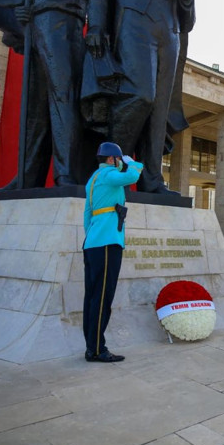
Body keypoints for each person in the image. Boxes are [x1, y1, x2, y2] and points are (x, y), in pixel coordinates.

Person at [85, 0, 195, 194]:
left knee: (160, 110)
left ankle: (152, 179)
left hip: (169, 36)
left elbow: (189, 22)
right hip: (133, 26)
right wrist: (95, 25)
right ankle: (108, 165)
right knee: (140, 95)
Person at [7, 0, 95, 188]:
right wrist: (24, 13)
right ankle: (26, 178)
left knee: (63, 98)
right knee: (36, 111)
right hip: (39, 25)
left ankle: (66, 174)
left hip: (65, 27)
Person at [82, 142, 142, 362]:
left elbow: (87, 216)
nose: (120, 164)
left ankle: (92, 346)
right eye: (119, 160)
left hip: (93, 242)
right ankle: (97, 349)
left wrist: (94, 234)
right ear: (111, 159)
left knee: (92, 296)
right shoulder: (108, 175)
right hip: (107, 243)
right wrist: (133, 163)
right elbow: (132, 177)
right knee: (102, 297)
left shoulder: (93, 179)